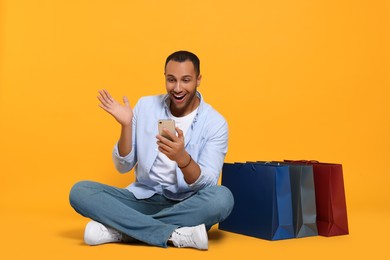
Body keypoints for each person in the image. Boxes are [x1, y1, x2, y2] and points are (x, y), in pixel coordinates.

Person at [69, 50, 234, 250]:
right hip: (142, 198)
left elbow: (207, 182)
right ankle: (174, 234)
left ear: (198, 80)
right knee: (80, 191)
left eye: (186, 80)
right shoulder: (146, 106)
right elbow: (123, 166)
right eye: (171, 80)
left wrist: (183, 159)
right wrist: (126, 126)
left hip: (188, 204)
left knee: (222, 198)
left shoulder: (215, 123)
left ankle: (123, 230)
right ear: (164, 77)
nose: (178, 88)